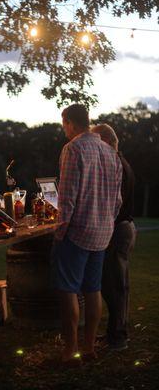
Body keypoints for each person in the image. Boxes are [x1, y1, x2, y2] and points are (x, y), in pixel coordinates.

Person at [51, 104, 123, 365]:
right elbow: (117, 201)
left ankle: (70, 352)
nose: (64, 131)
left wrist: (60, 231)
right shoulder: (110, 152)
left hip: (78, 232)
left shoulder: (74, 149)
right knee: (93, 289)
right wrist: (106, 223)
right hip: (102, 233)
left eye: (64, 125)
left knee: (68, 290)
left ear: (69, 122)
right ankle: (89, 347)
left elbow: (67, 198)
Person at [91, 124, 136, 351]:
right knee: (118, 285)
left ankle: (118, 339)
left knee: (114, 286)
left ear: (106, 140)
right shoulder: (121, 161)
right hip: (124, 229)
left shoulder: (115, 165)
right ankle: (115, 334)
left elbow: (113, 205)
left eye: (96, 142)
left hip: (117, 230)